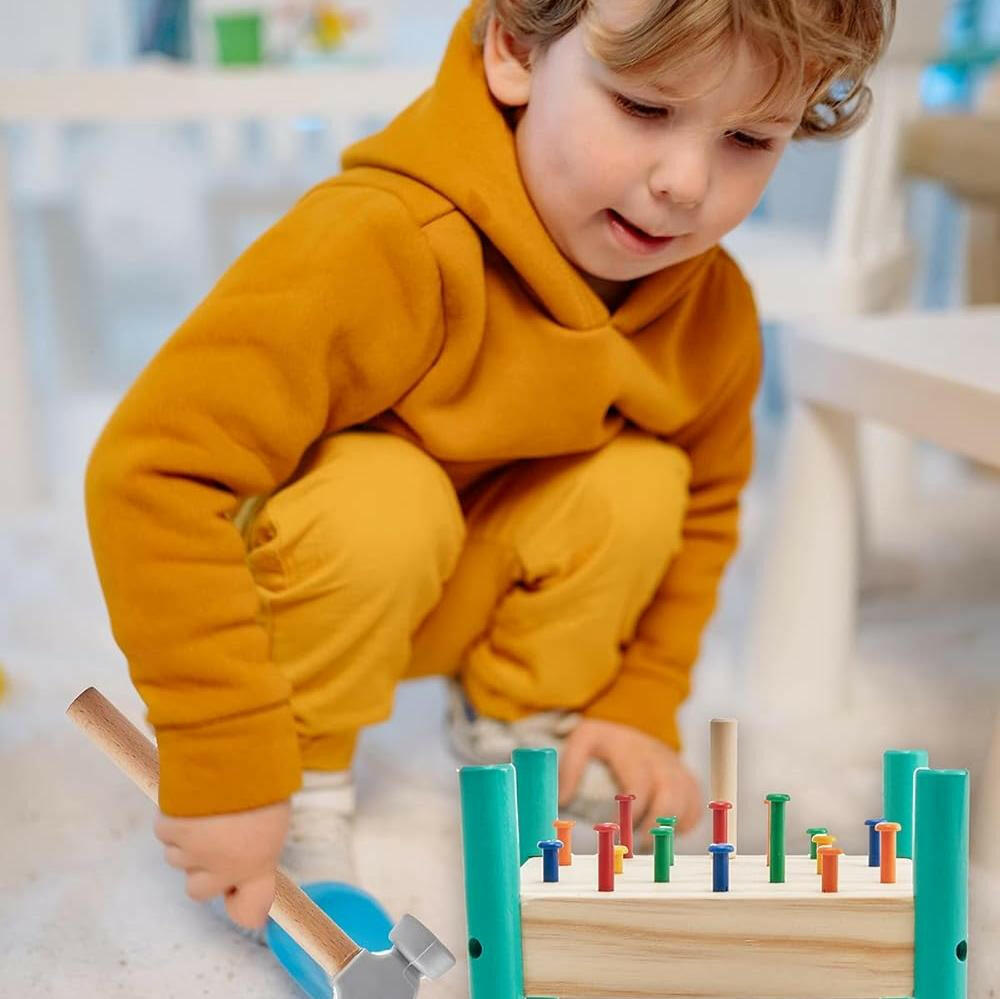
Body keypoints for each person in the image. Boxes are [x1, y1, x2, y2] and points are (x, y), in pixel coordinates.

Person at [85, 0, 895, 934]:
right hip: (307, 588)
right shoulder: (378, 239)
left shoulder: (712, 310)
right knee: (383, 496)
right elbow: (152, 471)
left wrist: (639, 702)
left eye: (751, 136)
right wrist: (225, 753)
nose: (685, 182)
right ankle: (303, 765)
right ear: (515, 51)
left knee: (644, 484)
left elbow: (707, 510)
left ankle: (522, 730)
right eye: (642, 108)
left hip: (472, 588)